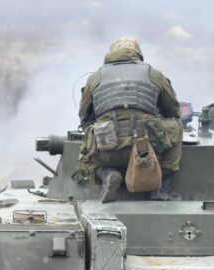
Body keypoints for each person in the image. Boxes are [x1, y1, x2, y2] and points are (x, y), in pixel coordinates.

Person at [77, 37, 183, 202]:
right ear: (138, 54)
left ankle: (106, 174)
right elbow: (173, 110)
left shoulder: (95, 78)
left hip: (107, 151)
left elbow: (84, 117)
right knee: (176, 125)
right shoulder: (153, 74)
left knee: (83, 157)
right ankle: (161, 187)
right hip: (146, 150)